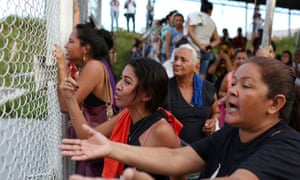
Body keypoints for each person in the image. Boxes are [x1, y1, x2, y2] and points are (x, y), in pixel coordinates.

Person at [60, 56, 300, 179]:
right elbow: (177, 158)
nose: (232, 91)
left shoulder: (287, 148)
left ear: (275, 103)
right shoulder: (231, 134)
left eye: (246, 86)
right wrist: (111, 148)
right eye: (233, 82)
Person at [59, 58, 185, 180]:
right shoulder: (127, 115)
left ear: (146, 95)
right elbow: (87, 137)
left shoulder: (161, 130)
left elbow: (179, 175)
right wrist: (70, 99)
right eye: (121, 79)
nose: (118, 86)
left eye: (127, 82)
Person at [53, 17, 117, 176]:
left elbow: (66, 106)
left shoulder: (94, 67)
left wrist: (61, 66)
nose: (66, 46)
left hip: (96, 143)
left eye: (70, 41)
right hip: (95, 144)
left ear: (85, 48)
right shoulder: (95, 66)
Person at [163, 43, 220, 145]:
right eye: (175, 59)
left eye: (183, 60)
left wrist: (213, 122)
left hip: (203, 152)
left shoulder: (207, 89)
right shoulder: (164, 89)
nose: (177, 63)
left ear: (196, 67)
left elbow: (216, 112)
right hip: (173, 152)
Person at [186, 0, 220, 79]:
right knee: (202, 74)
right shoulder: (212, 22)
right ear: (210, 11)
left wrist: (200, 45)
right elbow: (217, 40)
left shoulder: (195, 15)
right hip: (207, 50)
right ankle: (199, 90)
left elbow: (189, 31)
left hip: (194, 48)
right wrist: (209, 46)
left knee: (191, 74)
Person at [218, 50, 248, 127]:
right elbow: (220, 92)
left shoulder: (251, 77)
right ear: (234, 60)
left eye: (244, 58)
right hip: (229, 112)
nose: (241, 61)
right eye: (238, 58)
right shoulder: (229, 76)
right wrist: (227, 96)